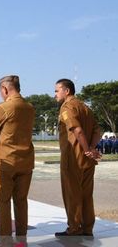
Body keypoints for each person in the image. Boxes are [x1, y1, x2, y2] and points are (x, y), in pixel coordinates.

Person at [0, 75, 35, 247]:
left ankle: (5, 242)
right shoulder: (29, 107)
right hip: (26, 160)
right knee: (21, 201)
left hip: (6, 161)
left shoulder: (5, 107)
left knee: (4, 201)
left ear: (5, 89)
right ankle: (22, 241)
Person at [54, 78, 101, 237]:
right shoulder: (86, 108)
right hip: (88, 159)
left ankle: (74, 228)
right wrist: (92, 149)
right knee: (86, 195)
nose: (55, 94)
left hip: (73, 157)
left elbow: (77, 130)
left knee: (72, 193)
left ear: (66, 91)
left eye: (57, 90)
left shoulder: (67, 107)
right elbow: (97, 131)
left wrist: (87, 149)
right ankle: (88, 228)